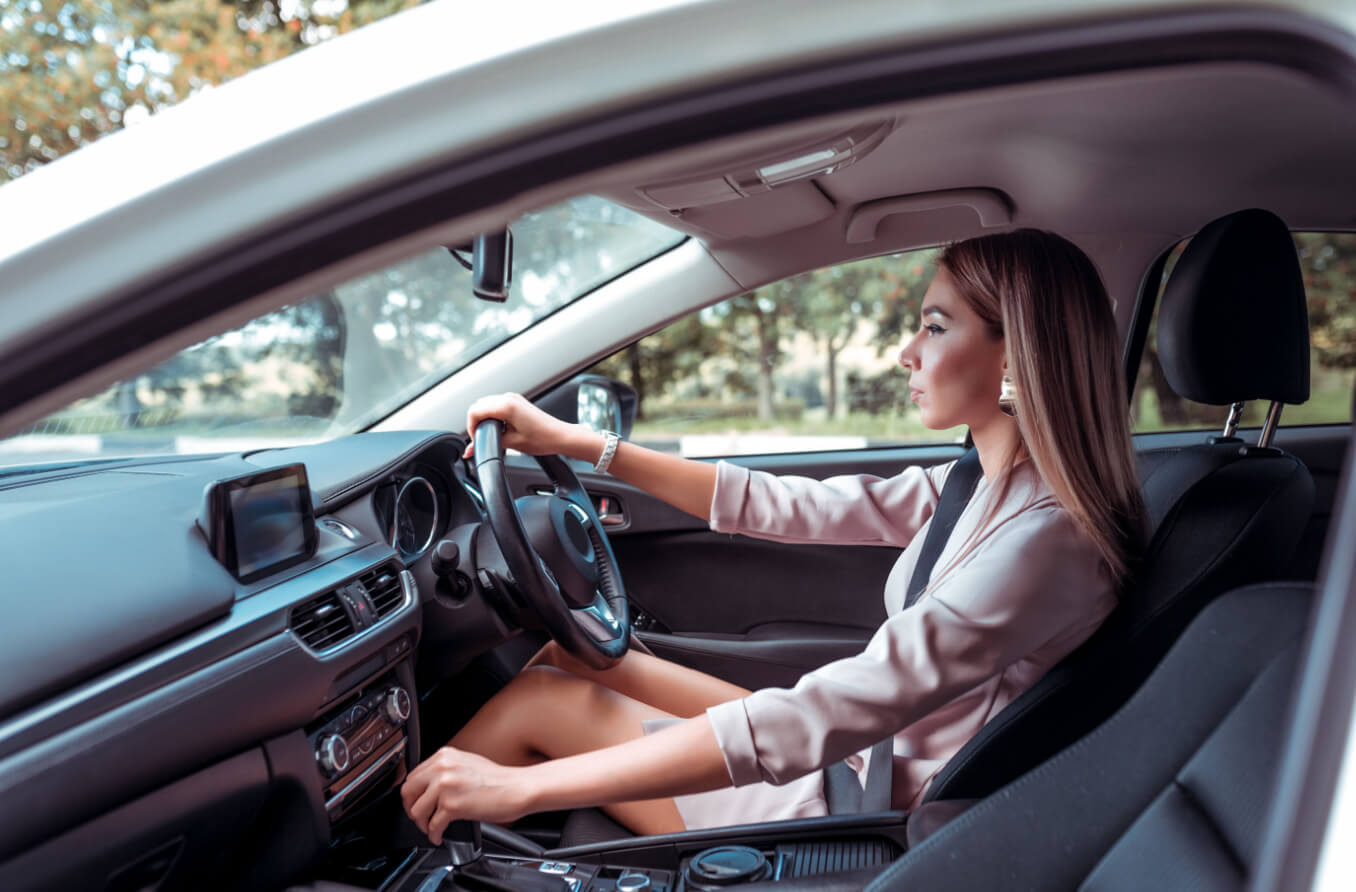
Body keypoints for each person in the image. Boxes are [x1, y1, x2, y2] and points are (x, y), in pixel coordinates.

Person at [400, 229, 1148, 845]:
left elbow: (831, 710)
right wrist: (573, 441)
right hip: (859, 758)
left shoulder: (1044, 542)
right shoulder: (984, 484)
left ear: (1014, 355)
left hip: (860, 807)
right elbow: (784, 504)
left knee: (541, 704)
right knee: (570, 653)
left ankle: (400, 852)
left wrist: (519, 786)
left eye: (934, 326)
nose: (906, 353)